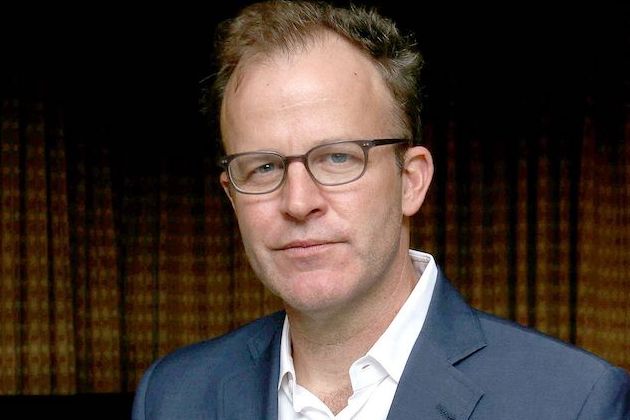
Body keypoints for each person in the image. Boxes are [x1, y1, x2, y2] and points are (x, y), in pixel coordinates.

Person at [132, 1, 630, 418]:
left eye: (338, 158)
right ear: (231, 195)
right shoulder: (172, 397)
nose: (299, 202)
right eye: (263, 167)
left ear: (410, 181)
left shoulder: (574, 400)